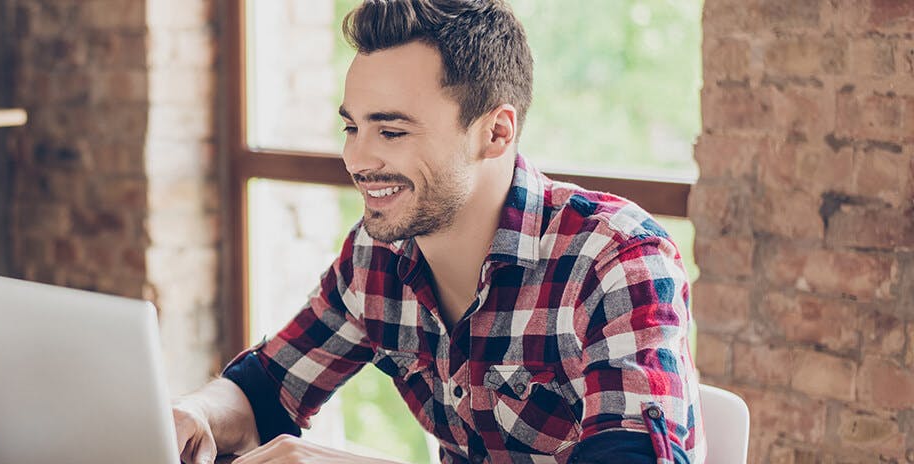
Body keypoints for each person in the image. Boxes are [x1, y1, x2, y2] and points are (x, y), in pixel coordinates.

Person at [171, 0, 703, 463]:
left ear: (495, 133)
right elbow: (268, 389)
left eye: (392, 131)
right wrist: (196, 414)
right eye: (352, 127)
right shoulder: (375, 256)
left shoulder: (616, 260)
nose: (356, 158)